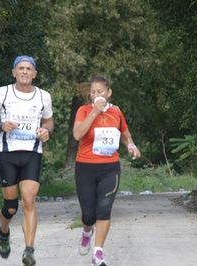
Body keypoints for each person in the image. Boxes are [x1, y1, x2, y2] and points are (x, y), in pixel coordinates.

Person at [0, 55, 53, 266]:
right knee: (11, 206)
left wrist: (46, 131)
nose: (24, 72)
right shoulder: (2, 93)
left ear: (34, 74)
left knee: (29, 200)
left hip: (32, 153)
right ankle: (4, 232)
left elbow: (49, 121)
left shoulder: (43, 96)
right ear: (14, 72)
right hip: (7, 153)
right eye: (20, 68)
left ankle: (29, 250)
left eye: (28, 69)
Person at [73, 76, 141, 266]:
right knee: (88, 215)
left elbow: (125, 134)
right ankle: (87, 232)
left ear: (109, 93)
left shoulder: (116, 112)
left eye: (100, 91)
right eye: (93, 92)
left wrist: (131, 145)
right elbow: (77, 134)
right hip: (85, 167)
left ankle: (98, 252)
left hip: (110, 168)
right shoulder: (84, 110)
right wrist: (94, 112)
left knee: (104, 208)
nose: (96, 95)